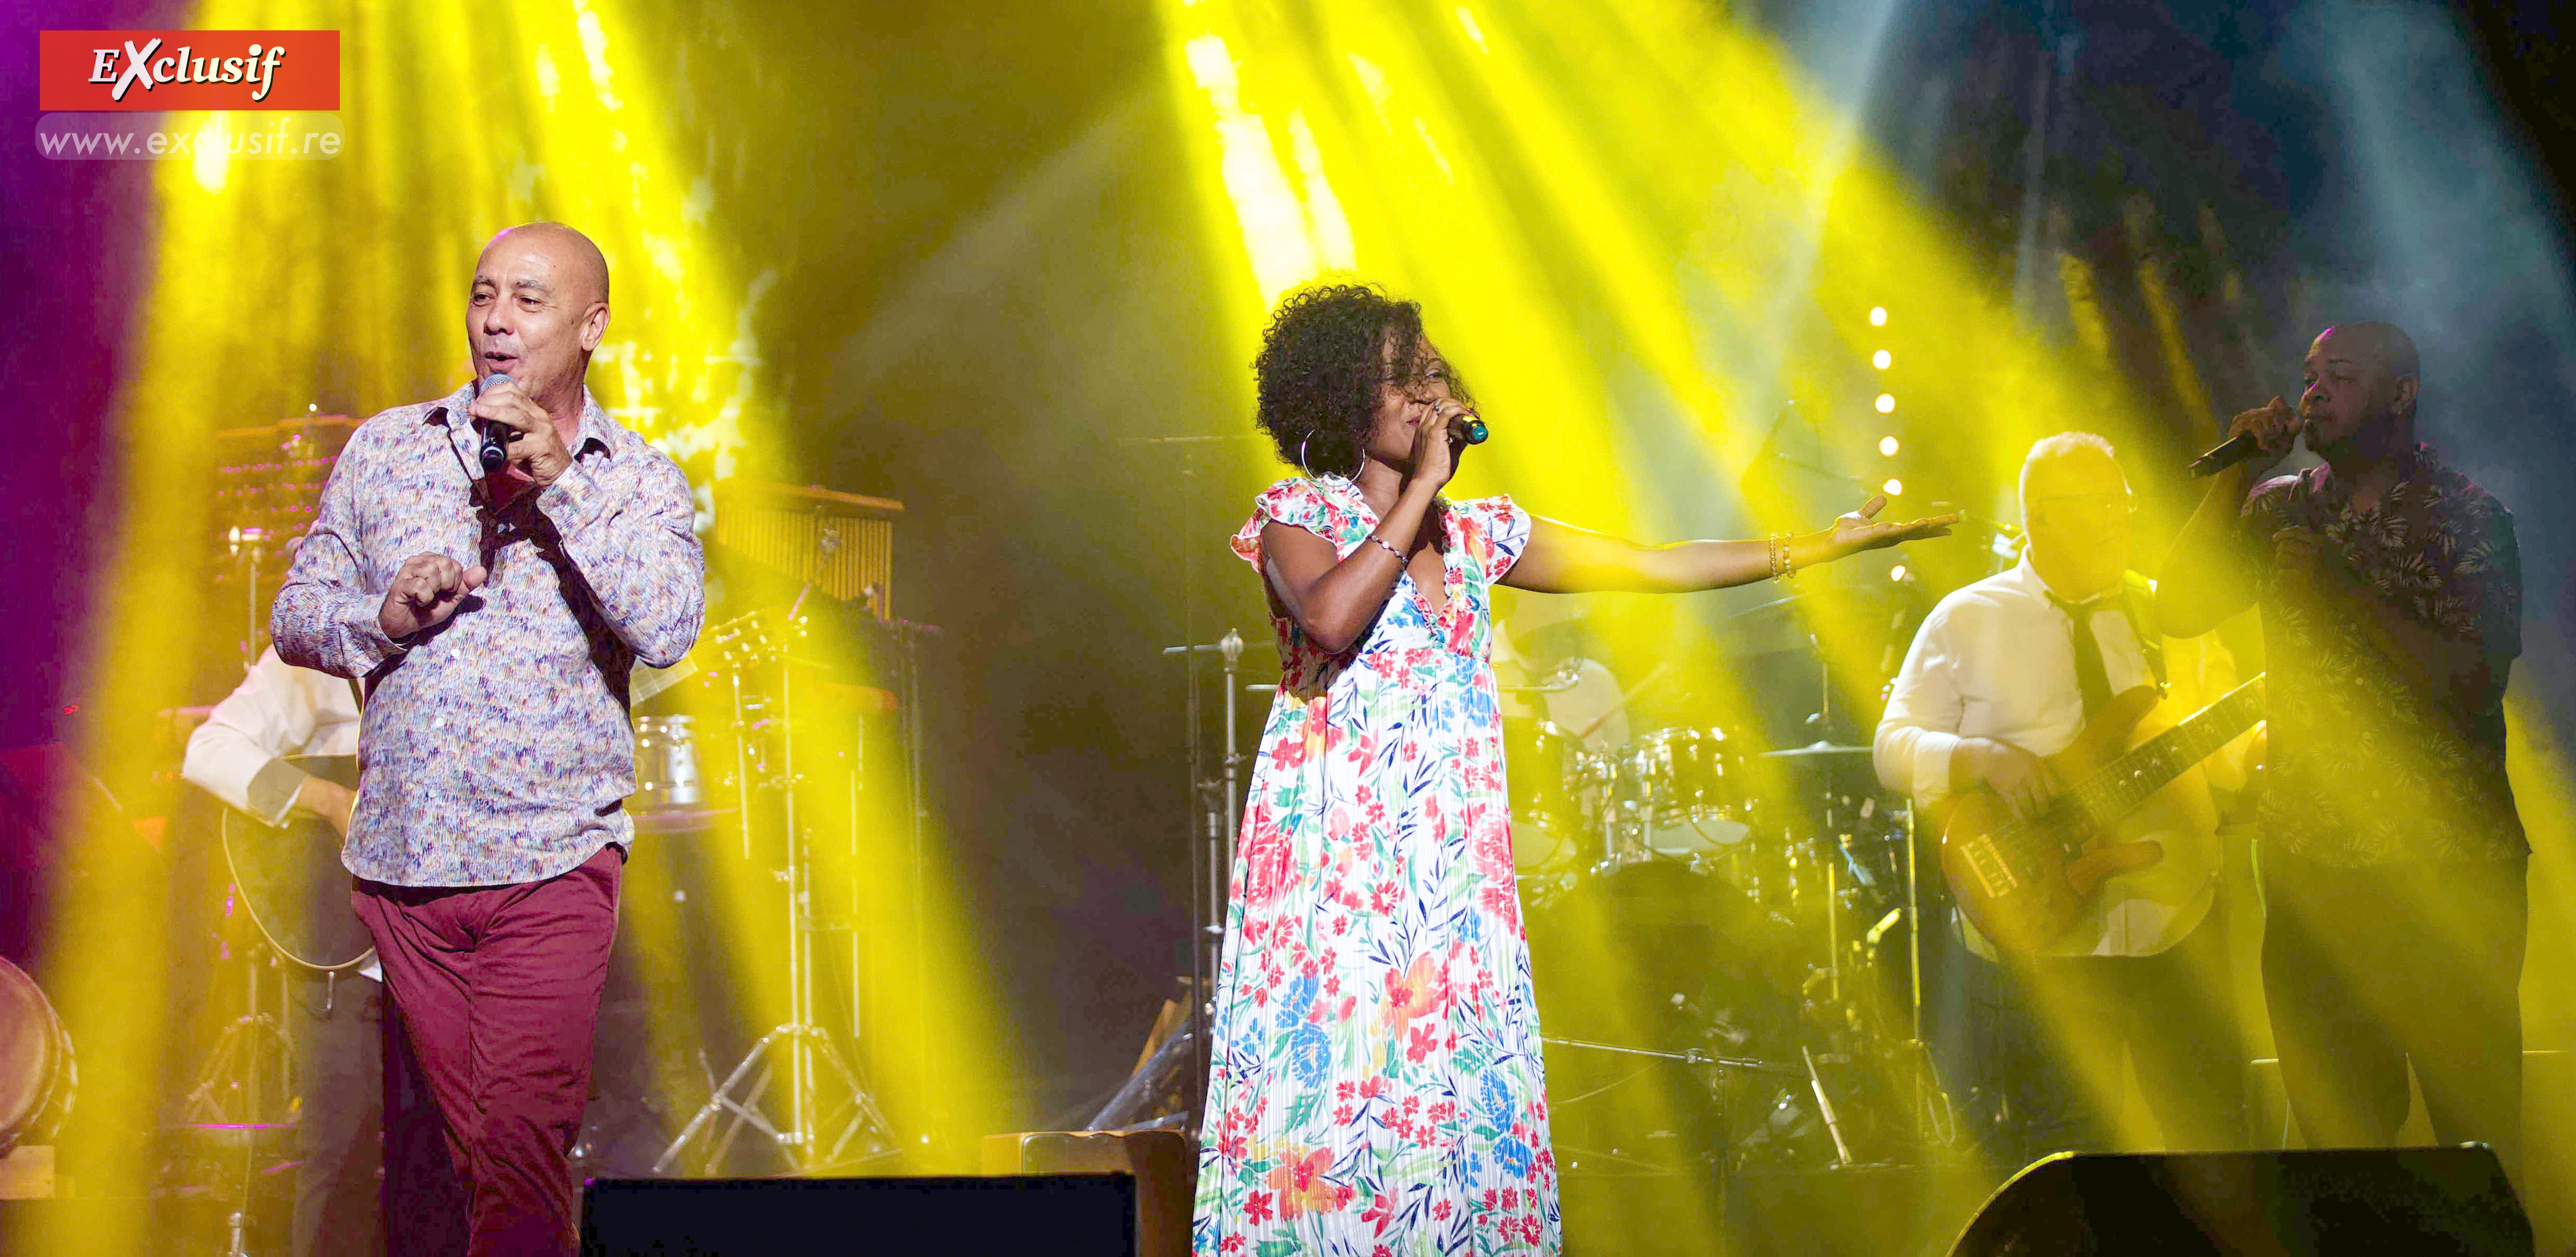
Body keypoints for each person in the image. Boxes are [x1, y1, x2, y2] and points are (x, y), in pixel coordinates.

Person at [1191, 283, 1955, 1254]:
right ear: (1342, 401)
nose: (1431, 395)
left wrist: (1814, 547)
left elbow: (1650, 562)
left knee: (1449, 1114)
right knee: (1340, 1108)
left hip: (1451, 886)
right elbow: (1333, 618)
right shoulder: (1297, 514)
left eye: (1435, 372)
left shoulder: (1482, 535)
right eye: (1403, 380)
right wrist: (1423, 488)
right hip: (1338, 880)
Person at [272, 221, 704, 1255]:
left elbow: (669, 625)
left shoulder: (633, 476)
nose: (497, 320)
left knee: (515, 1156)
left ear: (591, 326)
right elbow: (296, 608)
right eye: (482, 295)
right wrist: (381, 615)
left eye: (529, 300)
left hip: (550, 863)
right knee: (483, 1170)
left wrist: (565, 485)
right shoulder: (389, 448)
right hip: (404, 872)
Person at [2157, 322, 2525, 1174]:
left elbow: (2474, 677)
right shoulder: (2284, 503)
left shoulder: (2467, 514)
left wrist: (2340, 597)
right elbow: (2173, 606)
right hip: (2309, 874)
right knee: (2339, 1154)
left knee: (2476, 1145)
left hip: (2446, 871)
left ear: (2401, 397)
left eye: (2342, 377)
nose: (2313, 392)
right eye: (2308, 375)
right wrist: (2239, 468)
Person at [1875, 432, 2244, 1160]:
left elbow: (2229, 755)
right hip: (2044, 941)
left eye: (2125, 503)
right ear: (2040, 519)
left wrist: (2282, 742)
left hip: (2182, 927)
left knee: (2222, 1161)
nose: (2124, 521)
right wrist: (1979, 757)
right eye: (2102, 506)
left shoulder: (2164, 615)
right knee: (2071, 1175)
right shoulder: (1965, 618)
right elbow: (1891, 748)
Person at [181, 644, 467, 1257]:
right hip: (345, 950)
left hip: (445, 944)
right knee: (340, 1152)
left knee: (442, 1158)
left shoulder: (467, 645)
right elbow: (209, 751)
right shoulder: (317, 656)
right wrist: (326, 798)